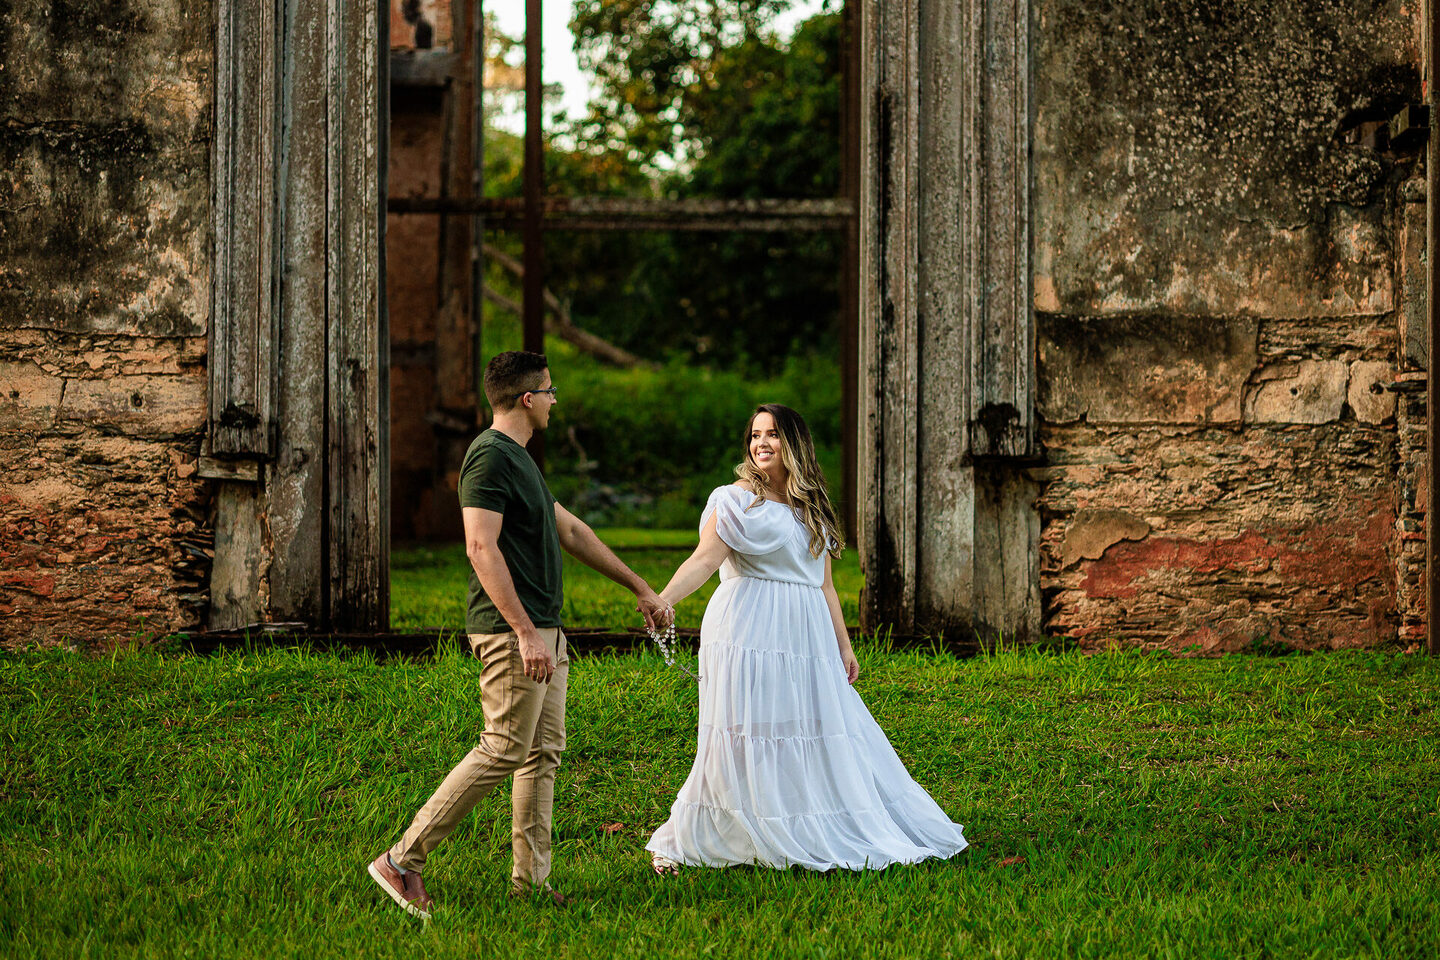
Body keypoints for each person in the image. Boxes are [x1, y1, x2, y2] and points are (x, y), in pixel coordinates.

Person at [368, 350, 671, 918]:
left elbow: (573, 532)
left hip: (543, 632)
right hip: (515, 633)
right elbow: (479, 546)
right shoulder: (488, 458)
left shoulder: (522, 461)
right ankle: (402, 860)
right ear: (528, 399)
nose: (556, 402)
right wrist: (525, 632)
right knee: (504, 746)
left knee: (540, 755)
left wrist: (641, 588)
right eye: (551, 392)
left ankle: (530, 883)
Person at [645, 403, 968, 873]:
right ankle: (691, 837)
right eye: (755, 435)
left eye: (772, 434)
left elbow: (826, 585)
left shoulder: (811, 506)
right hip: (747, 629)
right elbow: (704, 559)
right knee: (743, 731)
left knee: (806, 729)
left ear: (793, 443)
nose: (760, 443)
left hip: (806, 634)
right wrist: (664, 599)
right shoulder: (733, 500)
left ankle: (796, 819)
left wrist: (843, 645)